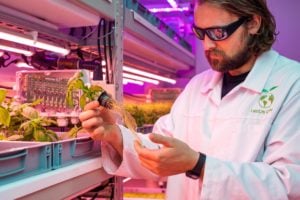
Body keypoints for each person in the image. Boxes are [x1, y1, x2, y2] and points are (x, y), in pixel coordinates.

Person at [79, 0, 300, 199]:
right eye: (201, 33)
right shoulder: (197, 86)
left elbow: (289, 184)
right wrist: (115, 134)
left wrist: (198, 165)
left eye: (218, 33)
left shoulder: (292, 83)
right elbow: (159, 149)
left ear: (253, 23)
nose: (207, 45)